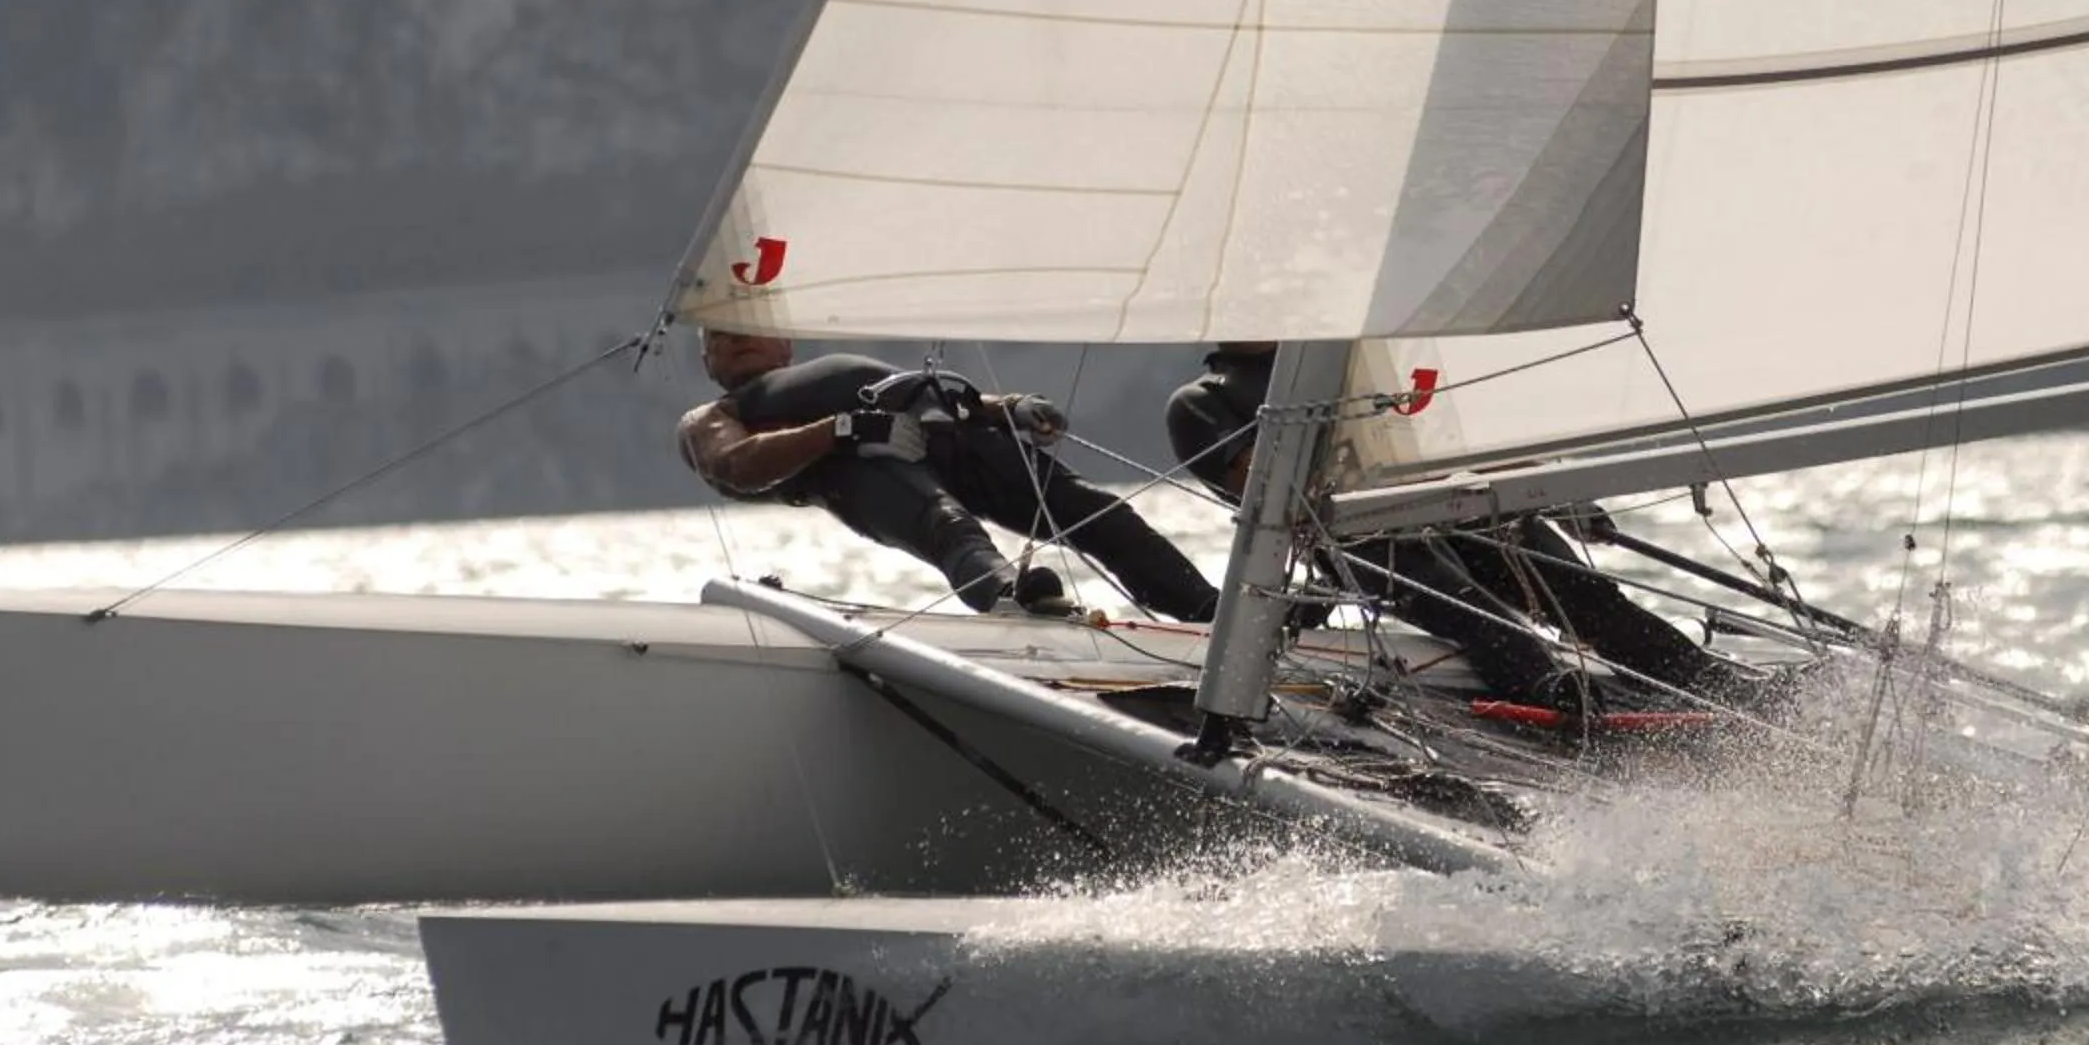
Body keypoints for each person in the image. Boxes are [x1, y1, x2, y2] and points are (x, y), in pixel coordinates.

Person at [1164, 344, 1755, 712]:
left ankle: (1713, 685)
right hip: (1365, 538)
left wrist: (1568, 501)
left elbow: (1456, 438)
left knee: (1588, 598)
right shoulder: (1200, 401)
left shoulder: (1368, 361)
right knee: (1476, 614)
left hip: (1463, 511)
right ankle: (1556, 697)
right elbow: (1267, 491)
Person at [682, 330, 1220, 623]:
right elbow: (736, 464)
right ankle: (1014, 596)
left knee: (1095, 510)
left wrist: (1005, 407)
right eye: (717, 338)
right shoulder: (713, 417)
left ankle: (1208, 611)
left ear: (786, 346)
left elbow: (925, 396)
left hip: (947, 436)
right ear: (707, 363)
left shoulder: (822, 374)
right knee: (950, 527)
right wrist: (844, 430)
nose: (733, 337)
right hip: (855, 469)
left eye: (746, 328)